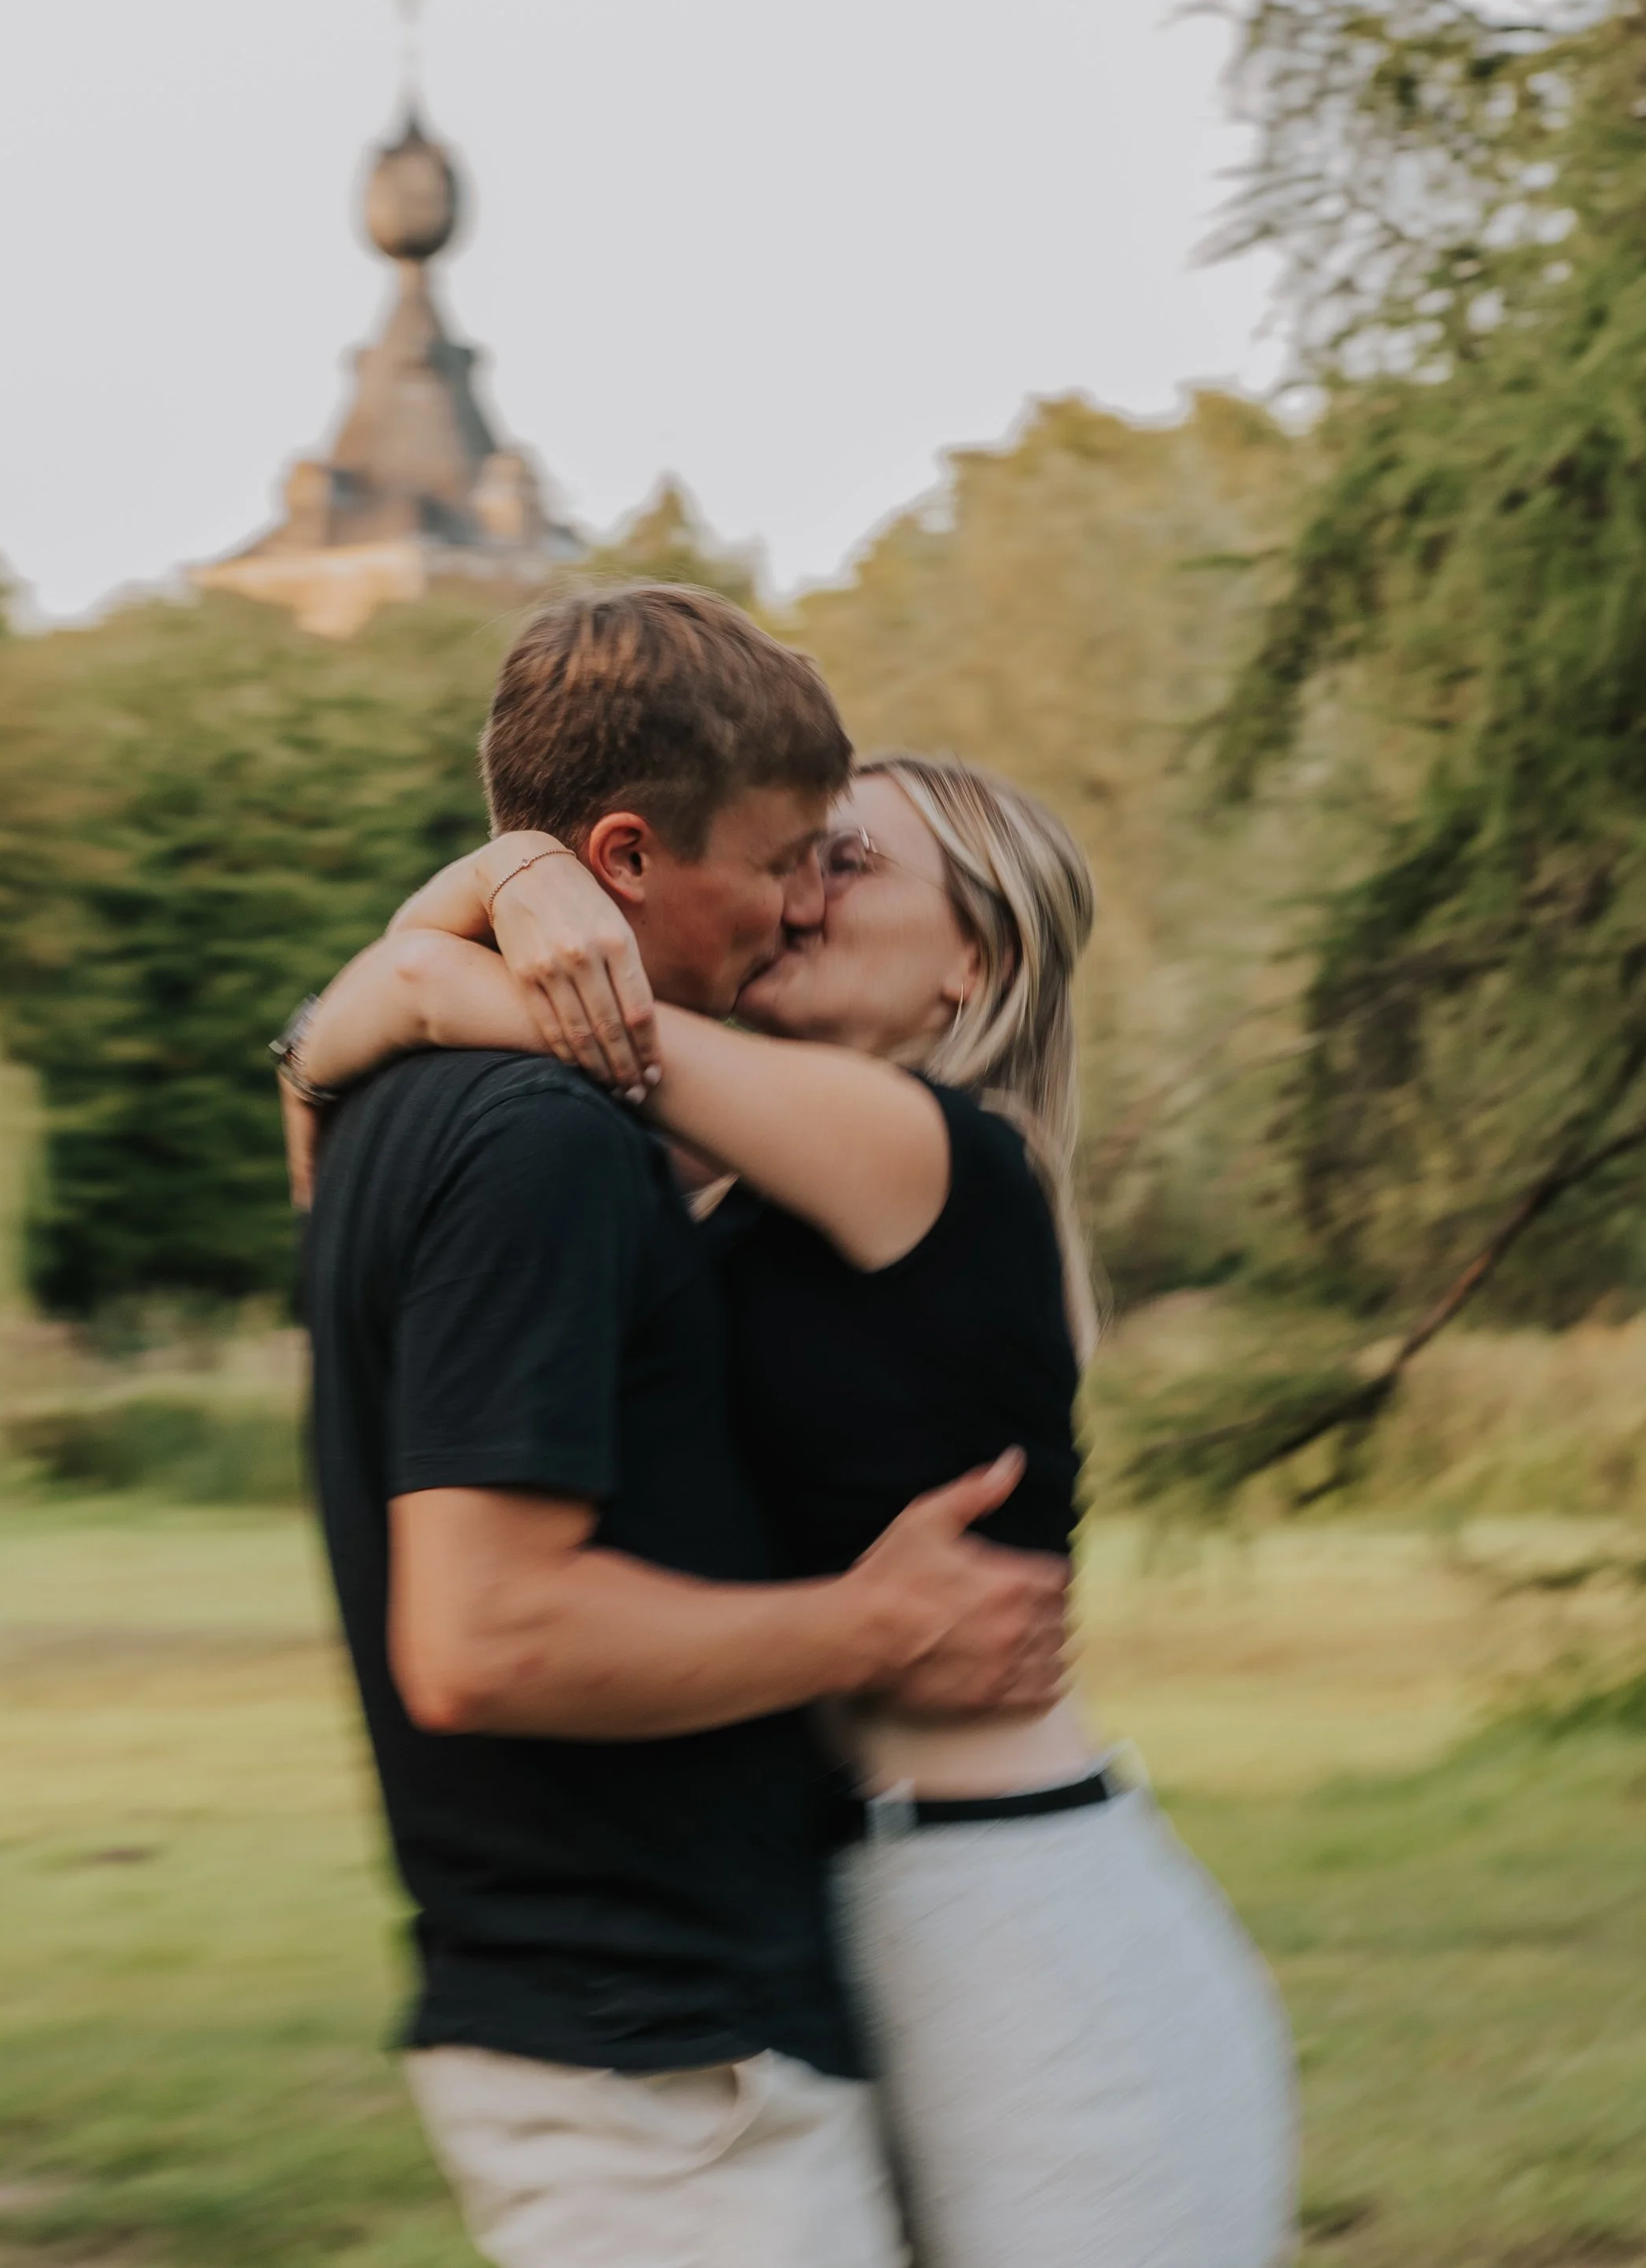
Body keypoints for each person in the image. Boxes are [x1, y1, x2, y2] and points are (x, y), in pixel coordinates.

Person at [295, 727, 1299, 2268]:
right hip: (855, 1909)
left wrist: (496, 896)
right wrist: (474, 907)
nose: (792, 894)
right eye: (785, 859)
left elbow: (439, 1001)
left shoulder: (940, 1153)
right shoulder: (725, 1189)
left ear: (969, 961)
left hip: (1019, 1909)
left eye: (845, 860)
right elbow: (380, 1149)